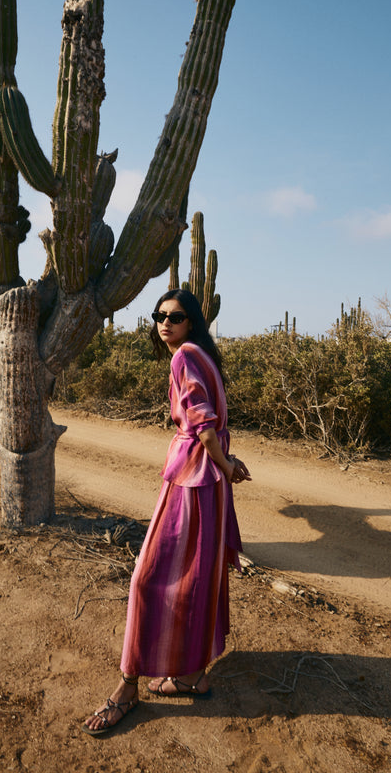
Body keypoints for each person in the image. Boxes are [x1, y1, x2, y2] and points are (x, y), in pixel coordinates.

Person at [82, 289, 251, 736]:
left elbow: (204, 426)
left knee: (148, 575)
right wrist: (228, 467)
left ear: (191, 321)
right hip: (209, 483)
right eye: (158, 316)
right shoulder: (205, 355)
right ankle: (191, 673)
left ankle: (127, 687)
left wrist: (226, 463)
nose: (164, 323)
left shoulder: (184, 357)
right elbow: (215, 424)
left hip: (194, 478)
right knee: (196, 572)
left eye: (174, 317)